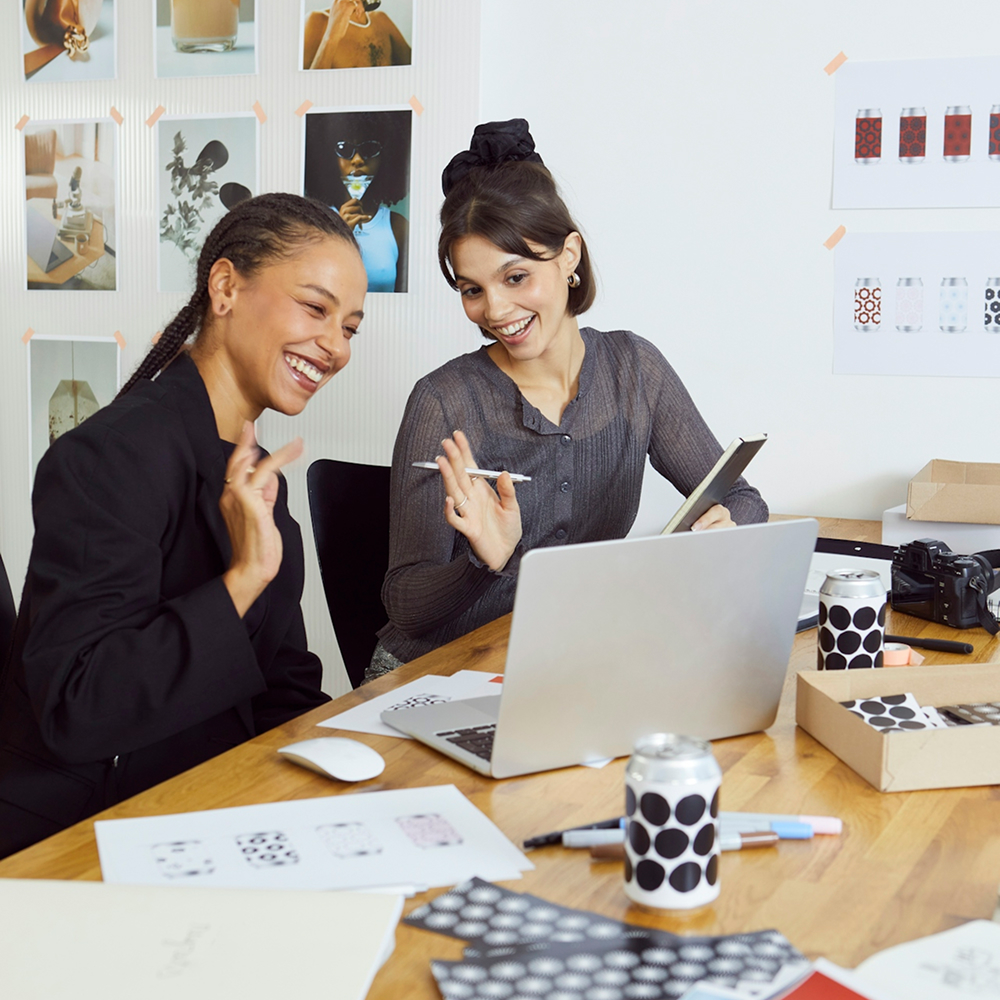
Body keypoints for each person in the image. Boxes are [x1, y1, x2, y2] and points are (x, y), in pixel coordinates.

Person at [0, 193, 367, 859]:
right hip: (75, 835)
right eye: (317, 308)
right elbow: (76, 708)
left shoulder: (258, 474)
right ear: (225, 287)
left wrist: (341, 792)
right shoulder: (109, 456)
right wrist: (243, 581)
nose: (336, 345)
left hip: (209, 806)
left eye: (350, 327)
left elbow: (283, 683)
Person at [370, 120, 769, 678]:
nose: (496, 310)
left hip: (559, 664)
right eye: (471, 289)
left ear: (568, 256)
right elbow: (405, 606)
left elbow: (744, 498)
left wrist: (724, 532)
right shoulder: (445, 400)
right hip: (434, 676)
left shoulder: (634, 370)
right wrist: (485, 564)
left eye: (516, 276)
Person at [304, 109, 410, 293]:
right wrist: (340, 235)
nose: (358, 160)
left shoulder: (398, 226)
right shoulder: (312, 224)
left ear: (386, 158)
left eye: (369, 149)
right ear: (328, 159)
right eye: (344, 149)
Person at [303, 0, 412, 70]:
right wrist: (331, 36)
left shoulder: (381, 19)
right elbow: (305, 94)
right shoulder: (316, 20)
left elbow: (418, 70)